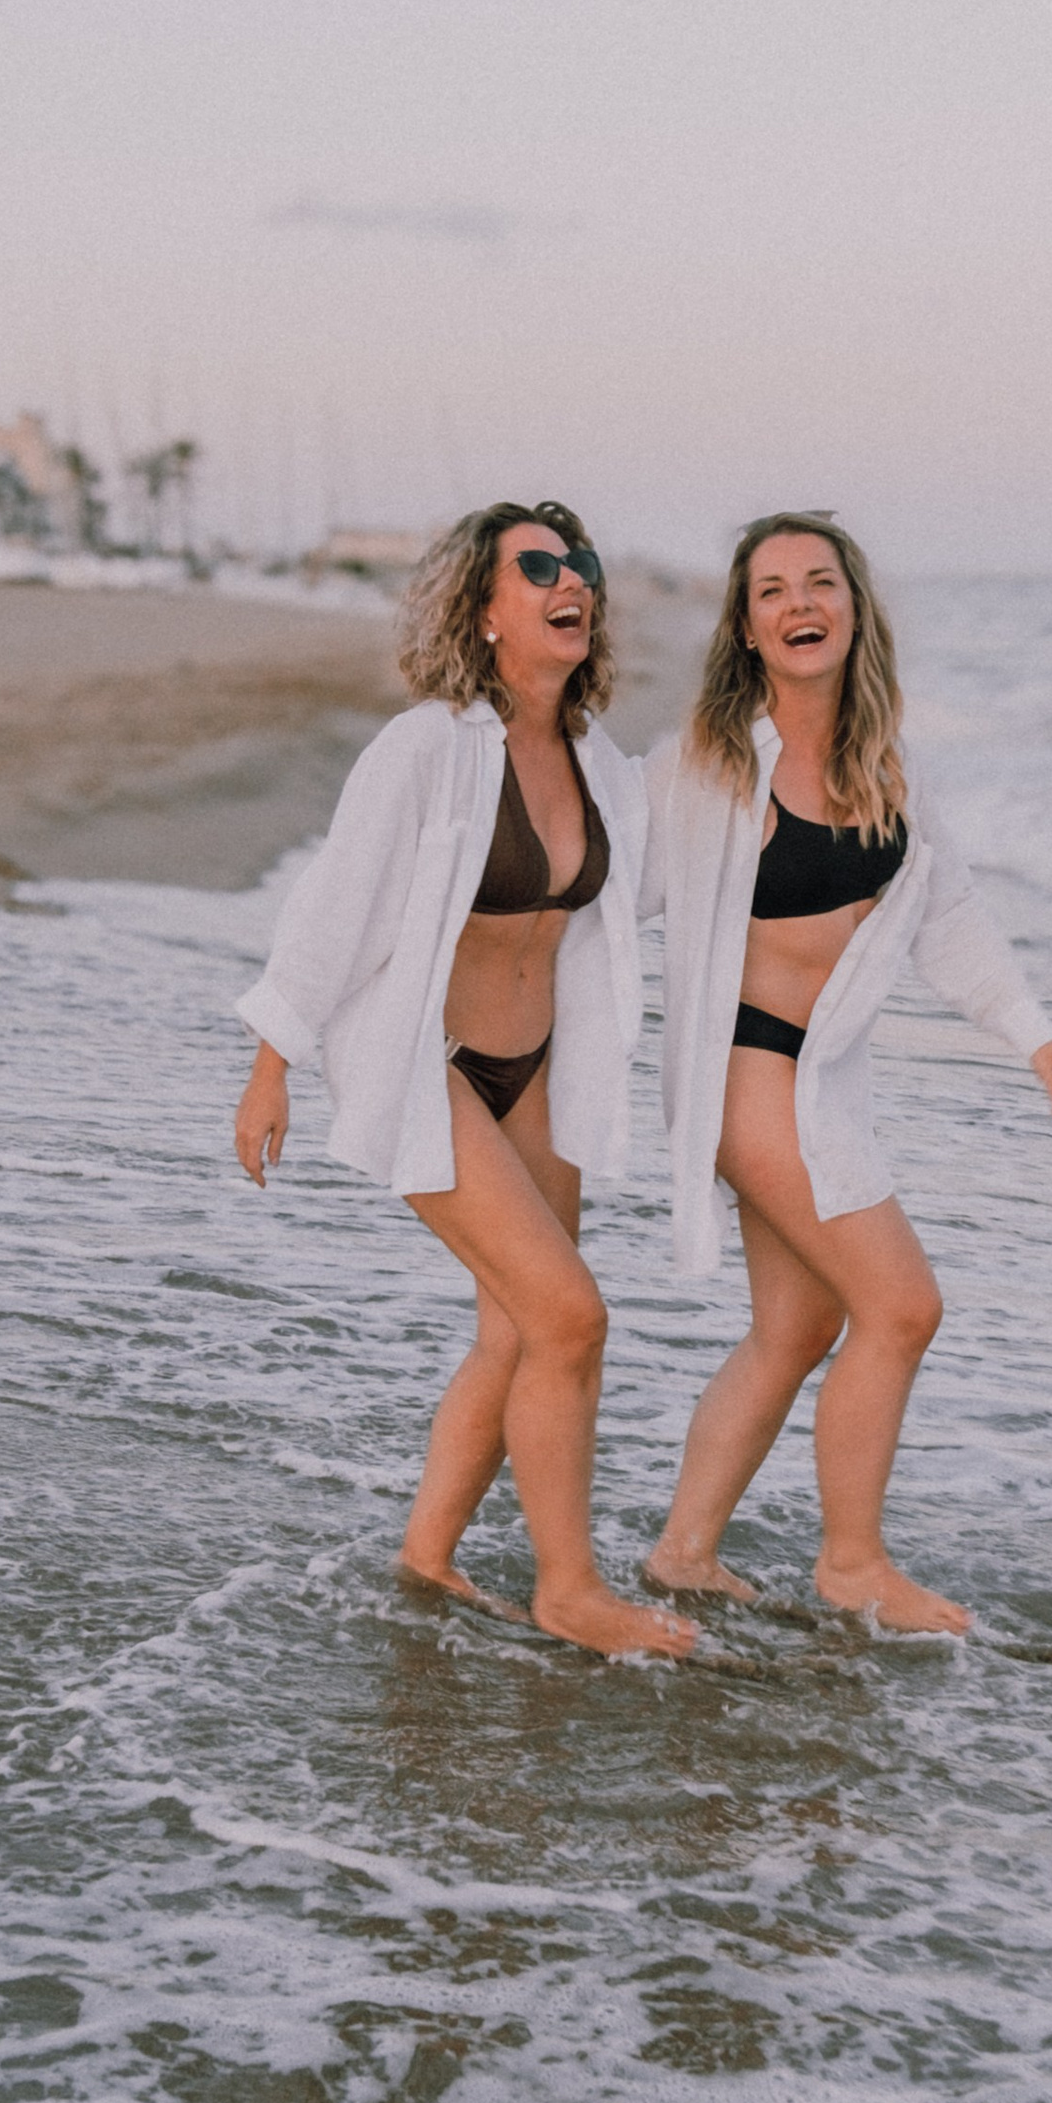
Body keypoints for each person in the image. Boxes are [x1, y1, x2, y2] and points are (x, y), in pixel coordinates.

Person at [233, 501, 693, 1661]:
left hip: (540, 1067)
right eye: (535, 567)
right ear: (483, 611)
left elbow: (640, 890)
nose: (568, 579)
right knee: (570, 1314)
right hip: (421, 1062)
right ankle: (569, 1588)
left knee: (516, 1332)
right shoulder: (427, 747)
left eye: (579, 562)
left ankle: (427, 1557)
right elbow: (333, 906)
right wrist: (270, 1063)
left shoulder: (598, 762)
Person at [642, 513, 1052, 1633]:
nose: (799, 604)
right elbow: (594, 879)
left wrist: (1029, 1027)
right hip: (744, 1076)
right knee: (900, 1306)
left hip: (822, 1084)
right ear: (746, 627)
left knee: (794, 1331)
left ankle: (683, 1554)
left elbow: (949, 914)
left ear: (852, 607)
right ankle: (852, 1568)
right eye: (773, 590)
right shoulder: (708, 761)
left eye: (819, 583)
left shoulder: (887, 764)